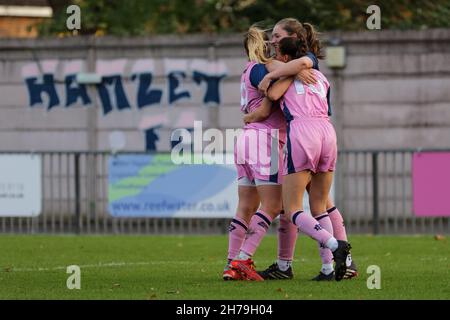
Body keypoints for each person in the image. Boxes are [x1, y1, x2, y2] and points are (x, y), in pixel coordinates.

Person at [230, 28, 350, 282]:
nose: (273, 42)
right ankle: (333, 265)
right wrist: (295, 68)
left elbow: (270, 99)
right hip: (326, 132)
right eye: (270, 38)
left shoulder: (267, 71)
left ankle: (239, 260)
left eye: (277, 37)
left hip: (284, 135)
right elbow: (325, 103)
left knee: (285, 207)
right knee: (321, 204)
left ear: (284, 54)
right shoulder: (319, 75)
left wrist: (252, 113)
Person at [223, 26, 286, 281]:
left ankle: (231, 263)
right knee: (275, 205)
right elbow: (267, 102)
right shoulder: (261, 69)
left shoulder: (247, 69)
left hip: (246, 139)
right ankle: (243, 260)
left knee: (246, 206)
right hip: (265, 140)